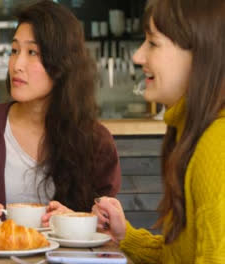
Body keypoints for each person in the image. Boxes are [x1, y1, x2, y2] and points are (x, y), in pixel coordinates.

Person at [0, 0, 121, 226]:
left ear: (63, 64)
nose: (16, 64)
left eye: (33, 52)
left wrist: (75, 220)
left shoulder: (95, 141)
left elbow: (106, 227)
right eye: (14, 51)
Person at [92, 0, 225, 262]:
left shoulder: (216, 145)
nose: (138, 56)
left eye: (153, 43)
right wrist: (124, 236)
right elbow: (179, 256)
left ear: (200, 54)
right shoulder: (193, 132)